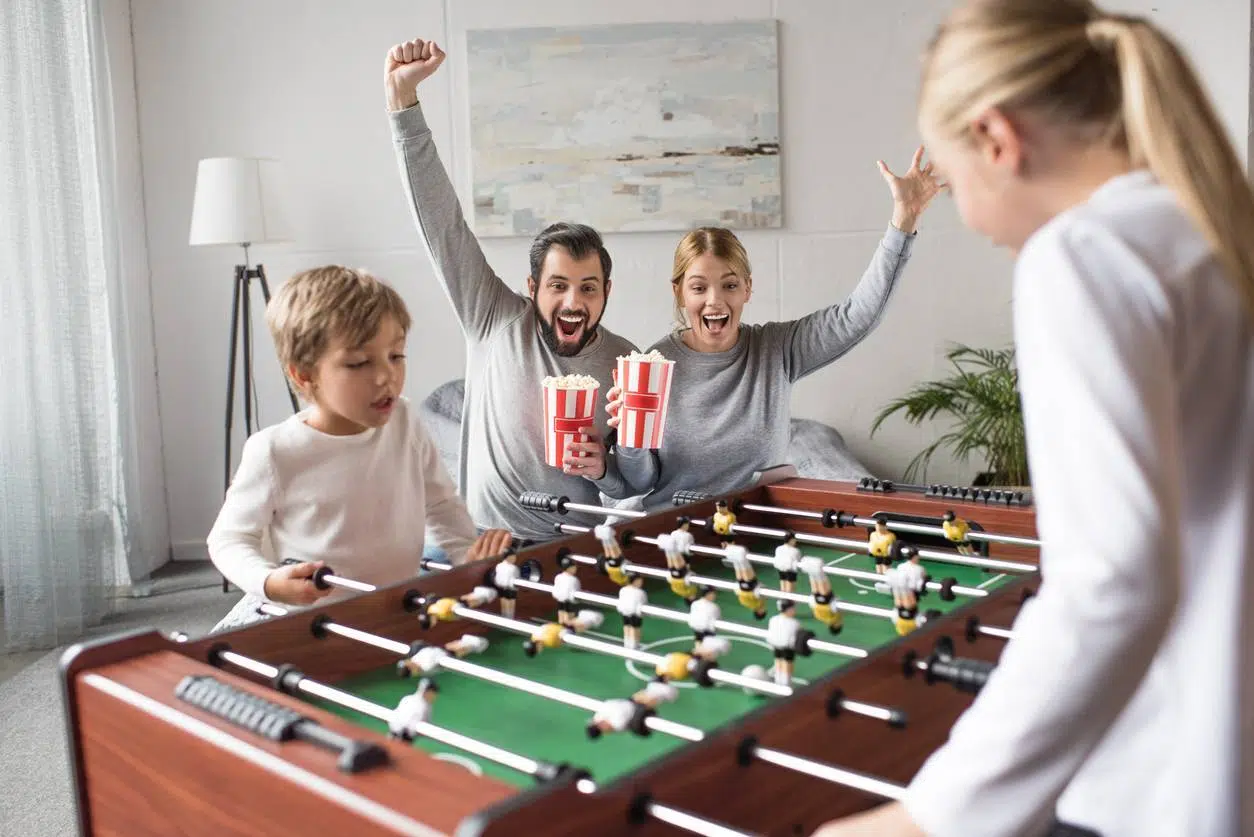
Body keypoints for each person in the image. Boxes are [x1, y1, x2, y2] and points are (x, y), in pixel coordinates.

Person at [813, 1, 1254, 836]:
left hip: (1152, 791)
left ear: (996, 139)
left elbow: (1113, 580)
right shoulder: (1211, 229)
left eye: (950, 175)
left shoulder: (1081, 254)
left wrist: (925, 818)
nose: (972, 220)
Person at [383, 38, 638, 541]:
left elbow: (640, 476)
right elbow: (443, 225)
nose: (573, 301)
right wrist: (402, 102)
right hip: (478, 537)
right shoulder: (494, 317)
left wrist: (604, 468)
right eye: (558, 285)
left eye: (588, 287)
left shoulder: (625, 363)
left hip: (568, 544)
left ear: (607, 290)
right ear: (532, 287)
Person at [600, 152, 943, 514]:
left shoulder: (775, 350)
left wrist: (903, 220)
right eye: (699, 288)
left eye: (729, 285)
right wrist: (629, 438)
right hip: (675, 528)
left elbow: (856, 316)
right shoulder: (653, 367)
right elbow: (638, 482)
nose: (715, 301)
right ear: (679, 293)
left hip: (757, 528)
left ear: (748, 289)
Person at [207, 266, 512, 632]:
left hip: (393, 608)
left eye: (396, 356)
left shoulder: (405, 420)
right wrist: (268, 581)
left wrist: (468, 558)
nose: (387, 376)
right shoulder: (274, 451)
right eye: (359, 363)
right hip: (312, 624)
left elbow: (441, 504)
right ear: (305, 375)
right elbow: (228, 539)